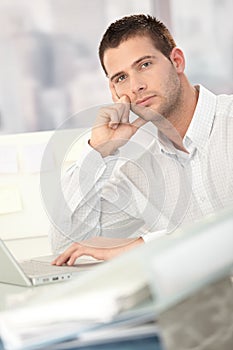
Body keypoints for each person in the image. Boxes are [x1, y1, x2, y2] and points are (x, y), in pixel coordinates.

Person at [50, 14, 233, 266]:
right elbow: (66, 244)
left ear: (177, 61)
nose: (135, 86)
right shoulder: (138, 173)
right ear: (114, 92)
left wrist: (142, 246)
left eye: (145, 65)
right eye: (121, 78)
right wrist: (99, 151)